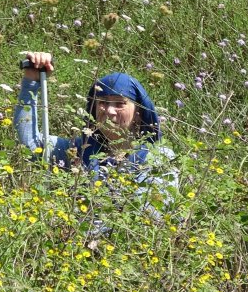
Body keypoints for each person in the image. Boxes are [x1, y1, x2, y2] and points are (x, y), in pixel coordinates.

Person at [13, 51, 179, 232]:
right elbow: (31, 143)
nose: (109, 111)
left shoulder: (156, 159)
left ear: (138, 113)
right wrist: (32, 80)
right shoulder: (78, 150)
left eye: (119, 103)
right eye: (103, 102)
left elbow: (148, 217)